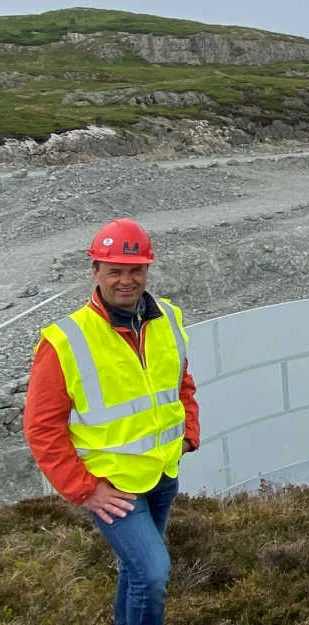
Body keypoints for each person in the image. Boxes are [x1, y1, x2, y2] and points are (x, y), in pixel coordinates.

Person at [23, 218, 200, 625]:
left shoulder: (167, 318)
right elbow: (41, 427)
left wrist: (189, 433)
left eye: (135, 270)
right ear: (96, 271)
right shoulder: (65, 339)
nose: (126, 280)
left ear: (147, 270)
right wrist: (85, 491)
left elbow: (181, 381)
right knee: (153, 572)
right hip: (111, 485)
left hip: (162, 473)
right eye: (114, 270)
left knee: (136, 571)